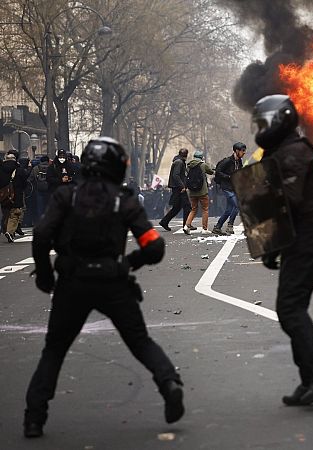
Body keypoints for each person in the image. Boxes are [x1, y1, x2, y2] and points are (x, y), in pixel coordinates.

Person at [23, 137, 183, 438]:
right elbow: (154, 246)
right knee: (140, 341)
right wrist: (129, 262)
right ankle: (169, 382)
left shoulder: (66, 197)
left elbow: (42, 236)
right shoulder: (124, 200)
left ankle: (34, 417)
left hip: (73, 282)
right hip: (113, 282)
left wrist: (45, 275)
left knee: (54, 351)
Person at [252, 94, 313, 406]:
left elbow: (287, 199)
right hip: (301, 236)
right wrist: (270, 245)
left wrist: (259, 202)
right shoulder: (284, 150)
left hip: (309, 236)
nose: (261, 129)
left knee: (289, 309)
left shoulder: (292, 153)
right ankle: (312, 380)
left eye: (264, 123)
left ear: (278, 121)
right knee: (293, 309)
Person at [212, 142, 246, 235]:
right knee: (237, 205)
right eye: (242, 151)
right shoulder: (227, 161)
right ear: (236, 151)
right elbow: (218, 172)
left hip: (233, 188)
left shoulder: (239, 161)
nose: (244, 153)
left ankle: (217, 227)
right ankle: (230, 226)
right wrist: (229, 177)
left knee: (228, 210)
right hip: (226, 187)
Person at [183, 150, 215, 234]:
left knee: (193, 209)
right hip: (202, 191)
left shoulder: (188, 165)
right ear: (201, 157)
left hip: (192, 192)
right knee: (205, 209)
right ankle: (204, 229)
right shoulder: (203, 165)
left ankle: (187, 225)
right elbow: (211, 172)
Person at [159, 148, 191, 231]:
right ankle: (186, 225)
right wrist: (182, 186)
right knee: (187, 206)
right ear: (185, 155)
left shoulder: (178, 161)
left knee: (177, 207)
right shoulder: (179, 162)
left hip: (177, 187)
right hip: (179, 188)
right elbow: (176, 175)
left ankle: (164, 222)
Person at [1, 151, 26, 242]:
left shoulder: (1, 168)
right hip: (16, 194)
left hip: (4, 195)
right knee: (15, 214)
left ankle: (5, 229)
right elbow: (24, 181)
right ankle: (10, 231)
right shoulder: (19, 169)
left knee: (5, 213)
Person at [30, 155, 51, 224]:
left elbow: (31, 178)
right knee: (49, 206)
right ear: (48, 161)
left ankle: (41, 222)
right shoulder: (51, 167)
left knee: (40, 207)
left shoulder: (36, 168)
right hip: (49, 190)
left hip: (39, 190)